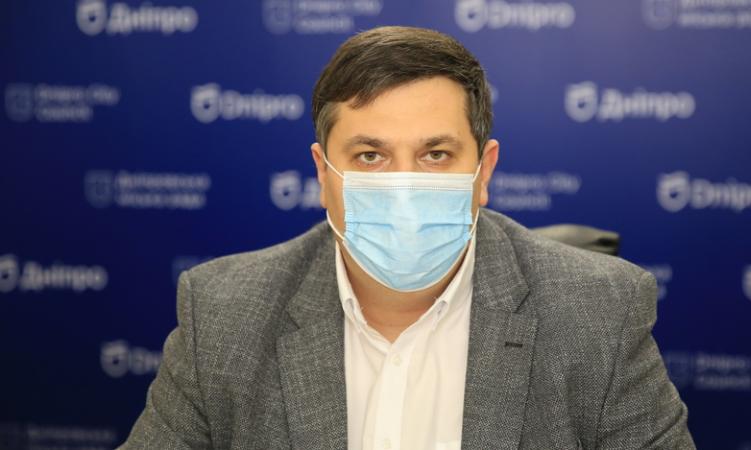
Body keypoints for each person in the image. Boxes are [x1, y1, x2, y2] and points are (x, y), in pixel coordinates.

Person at [120, 26, 695, 450]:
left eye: (435, 155)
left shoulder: (598, 313)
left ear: (484, 172)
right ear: (323, 174)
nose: (403, 184)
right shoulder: (223, 313)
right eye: (370, 156)